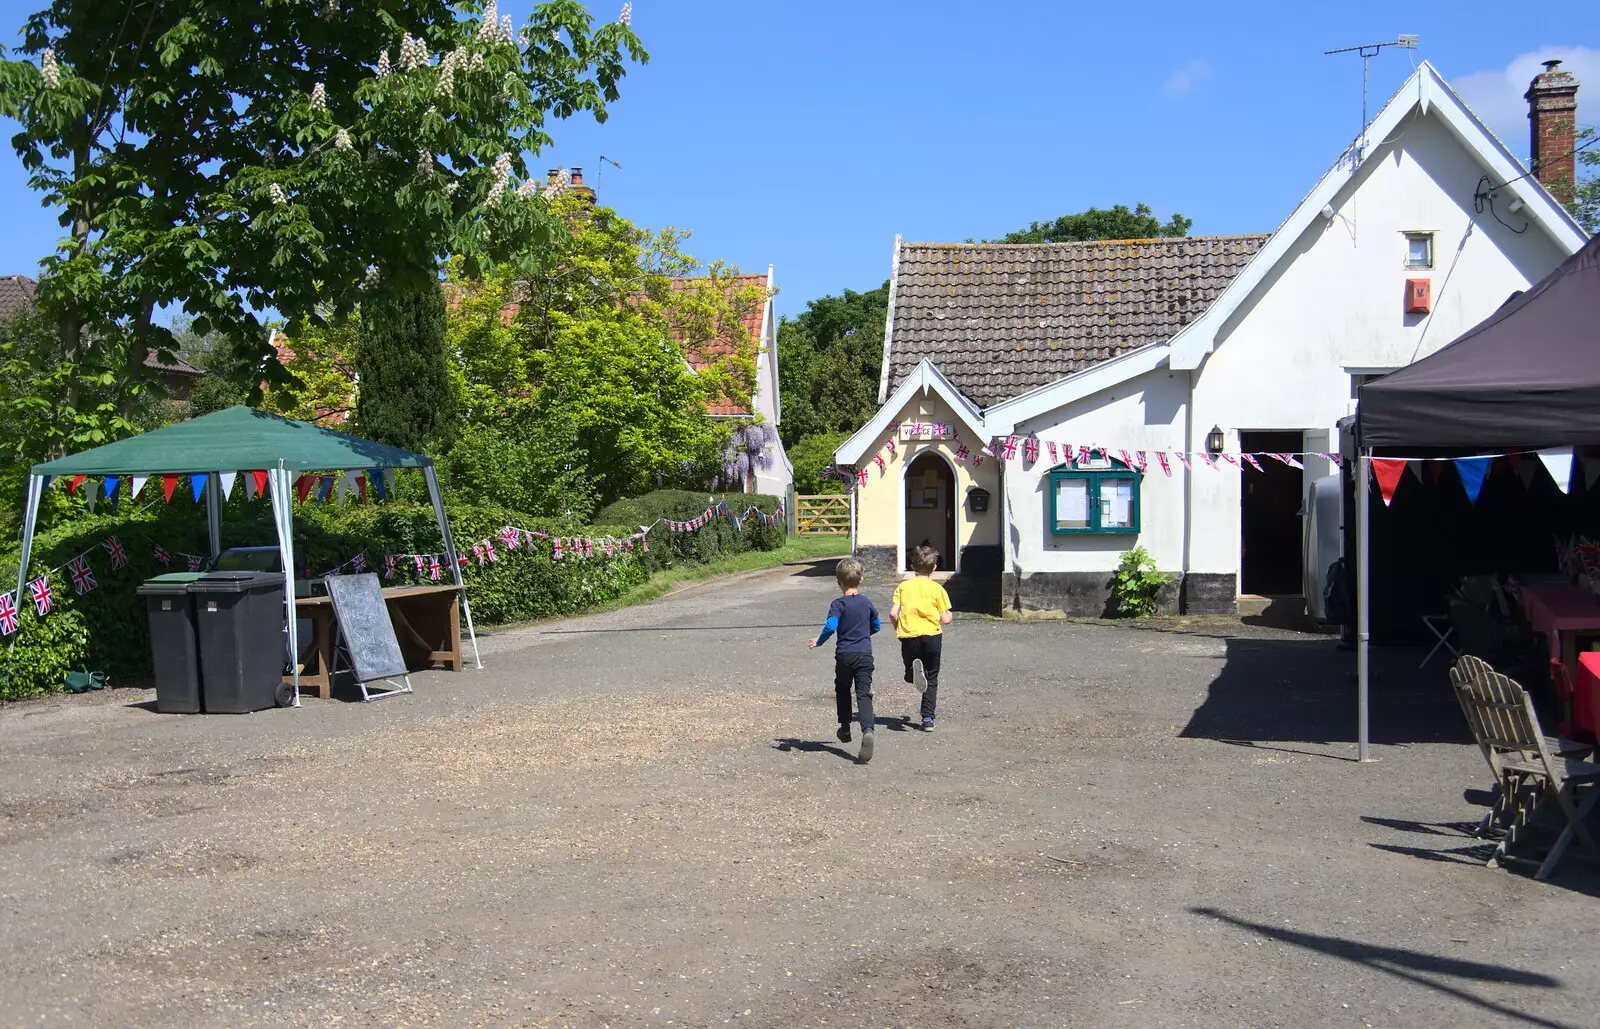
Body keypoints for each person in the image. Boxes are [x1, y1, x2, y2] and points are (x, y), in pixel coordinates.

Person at [808, 556, 881, 764]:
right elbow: (876, 625)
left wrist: (820, 641)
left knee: (842, 689)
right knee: (864, 693)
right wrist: (864, 635)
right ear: (861, 580)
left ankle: (846, 728)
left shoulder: (837, 604)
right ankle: (867, 730)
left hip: (844, 655)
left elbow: (831, 626)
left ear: (838, 582)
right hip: (864, 654)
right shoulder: (867, 602)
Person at [890, 545, 952, 731]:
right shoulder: (937, 589)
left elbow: (893, 614)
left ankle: (911, 673)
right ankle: (927, 719)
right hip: (931, 636)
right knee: (931, 677)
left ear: (912, 566)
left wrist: (898, 630)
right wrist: (949, 615)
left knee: (912, 666)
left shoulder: (903, 587)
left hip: (909, 635)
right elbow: (945, 618)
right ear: (934, 568)